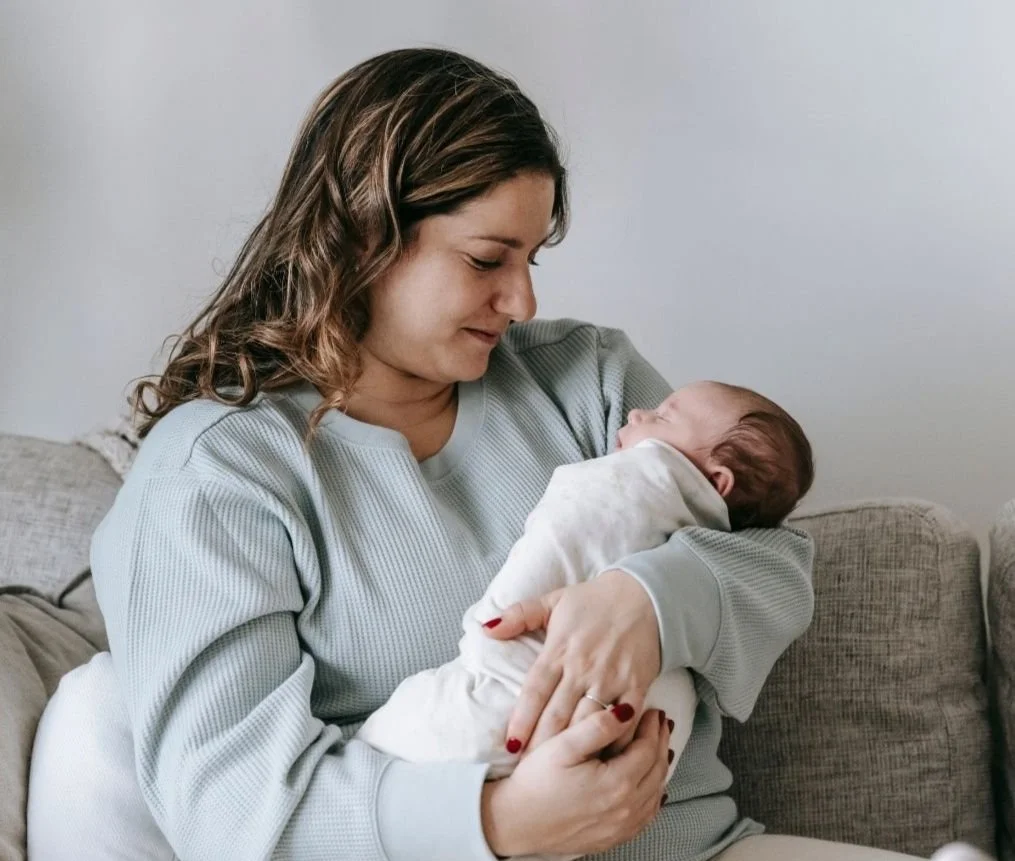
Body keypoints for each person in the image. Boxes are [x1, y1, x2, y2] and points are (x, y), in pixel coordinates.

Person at [25, 48, 925, 861]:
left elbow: (776, 560)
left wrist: (650, 600)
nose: (523, 301)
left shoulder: (586, 379)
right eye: (489, 259)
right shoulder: (221, 472)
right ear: (364, 238)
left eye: (533, 257)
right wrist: (497, 821)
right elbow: (233, 802)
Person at [354, 380, 814, 833]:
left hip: (673, 827)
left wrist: (646, 598)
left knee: (402, 727)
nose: (637, 414)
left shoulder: (603, 398)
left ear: (717, 482)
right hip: (457, 816)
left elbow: (787, 565)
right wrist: (503, 819)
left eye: (661, 416)